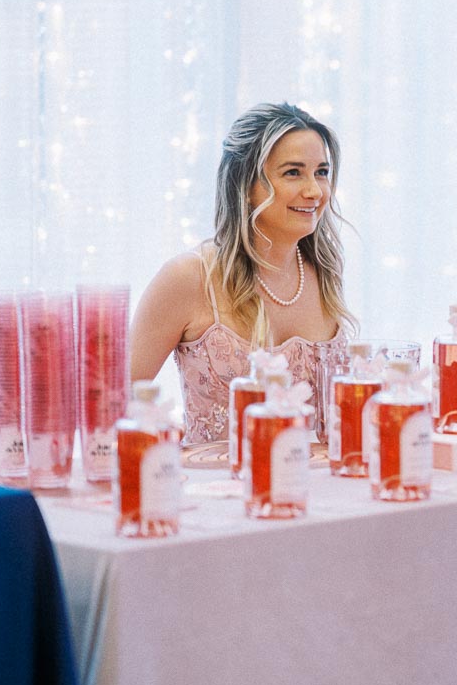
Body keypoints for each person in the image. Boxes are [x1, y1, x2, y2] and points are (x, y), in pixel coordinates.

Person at [130, 102, 355, 444]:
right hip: (215, 490)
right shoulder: (189, 277)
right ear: (246, 185)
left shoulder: (323, 271)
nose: (314, 191)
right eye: (293, 172)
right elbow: (114, 403)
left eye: (321, 172)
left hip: (314, 488)